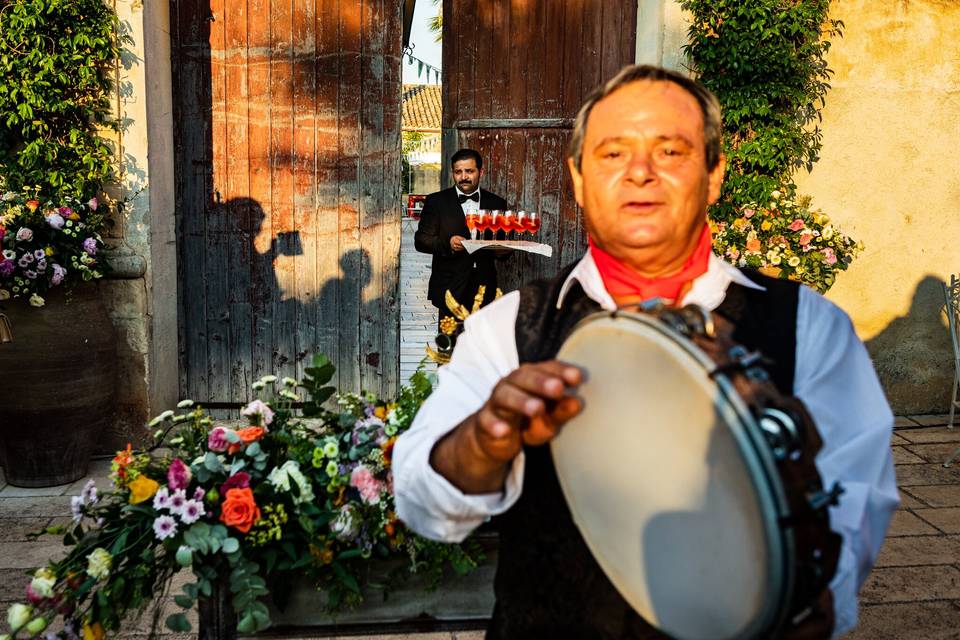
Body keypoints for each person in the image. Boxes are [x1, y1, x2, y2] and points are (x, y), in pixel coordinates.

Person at [393, 65, 898, 639]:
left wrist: (798, 606)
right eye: (612, 154)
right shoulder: (507, 330)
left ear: (713, 176)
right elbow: (423, 505)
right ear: (579, 181)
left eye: (671, 151)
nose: (640, 172)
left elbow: (857, 503)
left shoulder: (809, 327)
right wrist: (483, 439)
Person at [414, 148, 510, 331]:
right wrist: (447, 243)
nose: (463, 177)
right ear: (453, 173)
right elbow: (421, 240)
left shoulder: (497, 203)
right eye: (458, 172)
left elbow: (503, 244)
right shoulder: (436, 201)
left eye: (469, 171)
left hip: (485, 287)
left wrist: (503, 251)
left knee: (481, 347)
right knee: (448, 348)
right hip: (449, 286)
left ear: (480, 172)